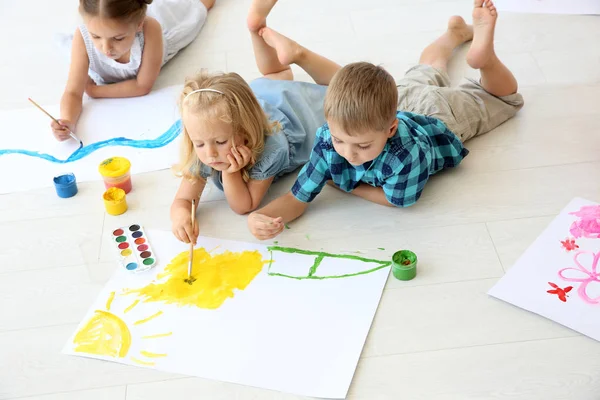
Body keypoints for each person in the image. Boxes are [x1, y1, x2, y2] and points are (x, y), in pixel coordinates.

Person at [247, 0, 524, 240]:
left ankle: (485, 61)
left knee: (503, 97)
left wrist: (347, 184)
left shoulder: (404, 156)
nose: (349, 153)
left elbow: (395, 200)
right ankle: (455, 33)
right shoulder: (330, 138)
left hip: (439, 114)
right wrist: (261, 216)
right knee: (426, 69)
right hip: (400, 98)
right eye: (339, 139)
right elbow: (296, 199)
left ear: (391, 129)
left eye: (363, 146)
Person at [169, 0, 342, 244]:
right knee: (276, 76)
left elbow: (244, 205)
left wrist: (230, 173)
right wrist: (180, 217)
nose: (209, 153)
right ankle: (256, 28)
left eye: (219, 141)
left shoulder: (271, 150)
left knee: (342, 91)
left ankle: (299, 54)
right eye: (199, 143)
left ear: (245, 131)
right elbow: (183, 200)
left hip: (302, 112)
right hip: (267, 95)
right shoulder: (206, 140)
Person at [51, 0, 215, 141]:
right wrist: (67, 121)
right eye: (96, 36)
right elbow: (73, 92)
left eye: (118, 38)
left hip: (159, 32)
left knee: (196, 9)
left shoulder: (151, 30)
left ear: (139, 24)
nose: (106, 48)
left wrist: (95, 90)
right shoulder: (83, 37)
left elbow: (142, 86)